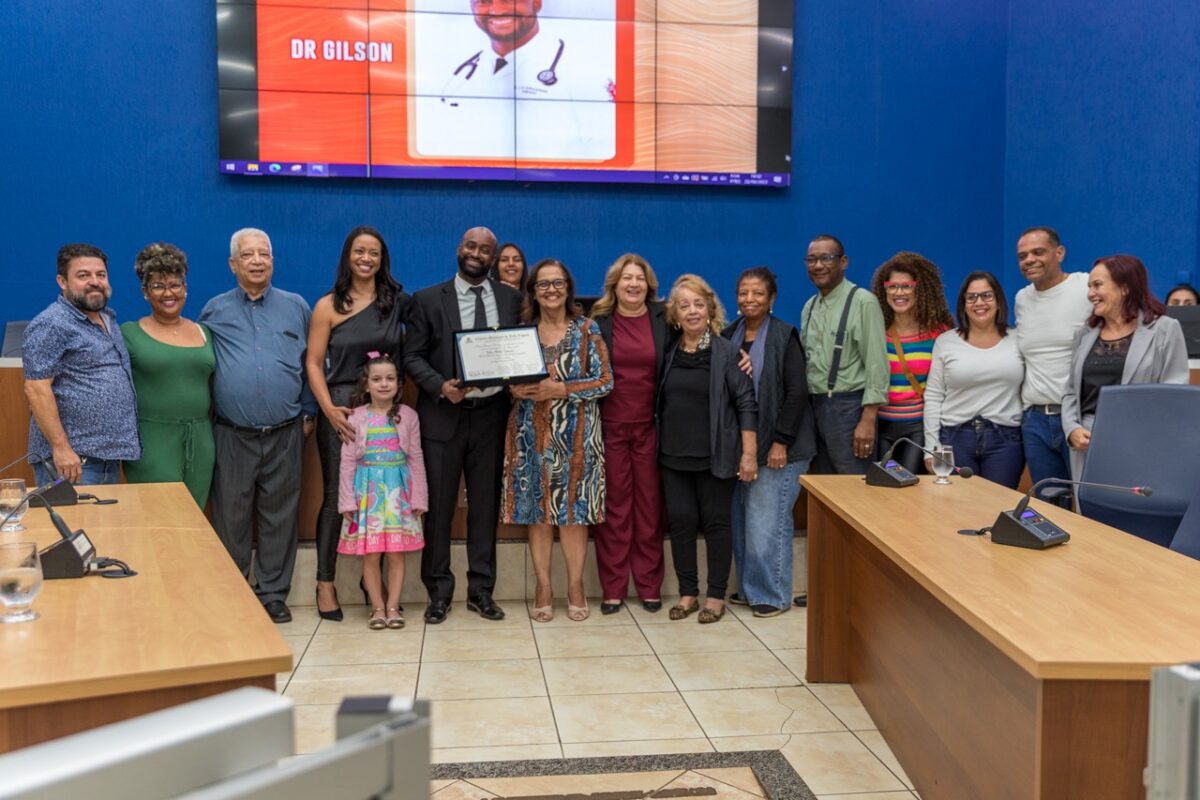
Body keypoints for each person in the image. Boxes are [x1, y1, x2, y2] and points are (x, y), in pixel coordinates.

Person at [403, 226, 523, 624]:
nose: (477, 254)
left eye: (486, 250)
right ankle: (438, 592)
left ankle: (481, 591)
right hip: (443, 416)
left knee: (484, 508)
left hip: (491, 416)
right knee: (438, 509)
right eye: (471, 246)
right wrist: (441, 386)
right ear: (459, 249)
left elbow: (518, 350)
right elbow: (413, 357)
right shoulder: (426, 299)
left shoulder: (511, 298)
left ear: (494, 258)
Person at [199, 228, 318, 624]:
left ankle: (272, 594)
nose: (256, 261)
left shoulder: (297, 307)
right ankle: (233, 591)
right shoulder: (213, 310)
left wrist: (307, 413)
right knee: (230, 516)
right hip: (231, 433)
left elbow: (312, 364)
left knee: (279, 516)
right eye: (247, 255)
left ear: (273, 260)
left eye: (263, 254)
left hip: (287, 431)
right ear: (233, 264)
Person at [306, 226, 409, 622]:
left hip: (386, 408)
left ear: (383, 260)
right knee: (339, 496)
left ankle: (376, 585)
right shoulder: (328, 305)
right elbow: (313, 362)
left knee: (383, 494)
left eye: (375, 253)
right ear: (348, 256)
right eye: (360, 251)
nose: (367, 258)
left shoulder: (396, 302)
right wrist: (329, 408)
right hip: (343, 412)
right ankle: (325, 582)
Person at [501, 259, 612, 622]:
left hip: (577, 439)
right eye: (543, 284)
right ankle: (544, 587)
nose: (551, 290)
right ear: (533, 291)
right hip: (529, 436)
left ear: (568, 288)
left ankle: (576, 587)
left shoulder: (587, 330)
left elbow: (605, 381)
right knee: (538, 515)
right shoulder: (521, 333)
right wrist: (513, 388)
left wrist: (560, 388)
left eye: (558, 283)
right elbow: (509, 382)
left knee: (573, 516)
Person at [658, 275, 757, 624]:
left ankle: (715, 597)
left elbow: (746, 402)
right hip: (672, 455)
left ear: (710, 308)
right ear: (675, 313)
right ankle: (688, 593)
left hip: (716, 454)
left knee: (717, 524)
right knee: (682, 524)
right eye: (684, 305)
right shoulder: (668, 349)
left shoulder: (728, 351)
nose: (692, 311)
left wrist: (748, 454)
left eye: (699, 304)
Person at [414, 0, 617, 160]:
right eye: (484, 1)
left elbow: (606, 151)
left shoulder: (584, 69)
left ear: (536, 3)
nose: (497, 10)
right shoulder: (454, 73)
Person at [723, 267, 814, 618]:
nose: (750, 299)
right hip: (742, 449)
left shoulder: (784, 335)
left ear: (772, 298)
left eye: (758, 293)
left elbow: (796, 393)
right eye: (744, 293)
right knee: (744, 522)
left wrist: (781, 441)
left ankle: (772, 594)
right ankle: (750, 589)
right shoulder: (728, 334)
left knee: (767, 522)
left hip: (781, 449)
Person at [1062, 255, 1190, 480]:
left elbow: (1174, 396)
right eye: (1089, 286)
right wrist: (1071, 429)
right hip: (1087, 440)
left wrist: (1140, 435)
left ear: (1125, 288)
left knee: (1131, 510)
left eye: (1098, 285)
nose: (1091, 293)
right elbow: (1071, 392)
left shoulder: (1165, 329)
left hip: (1142, 441)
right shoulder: (1083, 334)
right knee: (1087, 512)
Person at [590, 254, 669, 614]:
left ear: (648, 285)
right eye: (627, 279)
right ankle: (614, 587)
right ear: (615, 285)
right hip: (609, 427)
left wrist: (738, 357)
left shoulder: (665, 318)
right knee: (615, 510)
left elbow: (703, 340)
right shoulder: (599, 322)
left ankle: (650, 585)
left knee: (650, 509)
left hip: (651, 427)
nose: (633, 284)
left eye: (639, 278)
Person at [23, 243, 140, 485]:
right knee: (71, 524)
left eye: (101, 274)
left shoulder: (108, 318)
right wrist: (62, 449)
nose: (95, 281)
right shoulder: (52, 323)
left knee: (107, 525)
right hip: (72, 463)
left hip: (108, 458)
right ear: (62, 281)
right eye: (83, 275)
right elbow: (36, 388)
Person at [121, 243, 215, 507]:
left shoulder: (205, 332)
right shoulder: (128, 334)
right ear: (145, 292)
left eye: (175, 284)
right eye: (158, 286)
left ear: (185, 288)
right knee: (158, 518)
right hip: (152, 443)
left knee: (193, 519)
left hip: (201, 442)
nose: (168, 293)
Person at [338, 354, 427, 630]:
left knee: (396, 554)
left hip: (398, 495)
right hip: (368, 495)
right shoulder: (356, 417)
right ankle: (377, 607)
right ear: (366, 385)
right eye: (377, 379)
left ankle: (393, 606)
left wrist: (419, 496)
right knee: (371, 555)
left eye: (390, 378)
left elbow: (416, 458)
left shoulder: (409, 416)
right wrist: (346, 500)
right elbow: (348, 462)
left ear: (399, 384)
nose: (384, 384)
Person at [923, 272, 1026, 488]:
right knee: (959, 509)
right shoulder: (946, 342)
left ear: (998, 300)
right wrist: (932, 447)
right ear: (963, 304)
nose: (979, 302)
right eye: (971, 297)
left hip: (1005, 441)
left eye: (987, 295)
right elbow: (933, 396)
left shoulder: (1019, 339)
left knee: (999, 508)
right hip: (955, 439)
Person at [799, 234, 888, 474]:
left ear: (843, 262)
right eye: (811, 259)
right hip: (815, 409)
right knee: (822, 492)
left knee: (854, 492)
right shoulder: (809, 307)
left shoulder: (863, 302)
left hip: (849, 410)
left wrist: (868, 419)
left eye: (826, 258)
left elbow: (877, 365)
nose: (818, 266)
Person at [1014, 227, 1092, 493]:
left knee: (1085, 502)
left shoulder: (1085, 286)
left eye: (1038, 252)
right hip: (1034, 421)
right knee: (1049, 503)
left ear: (1059, 253)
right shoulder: (1022, 299)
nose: (1029, 260)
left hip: (1077, 417)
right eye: (1022, 256)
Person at [869, 252, 953, 473]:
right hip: (880, 426)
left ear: (921, 288)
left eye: (907, 286)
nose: (899, 293)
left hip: (917, 427)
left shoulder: (939, 334)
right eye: (892, 286)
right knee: (882, 493)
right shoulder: (876, 332)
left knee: (908, 490)